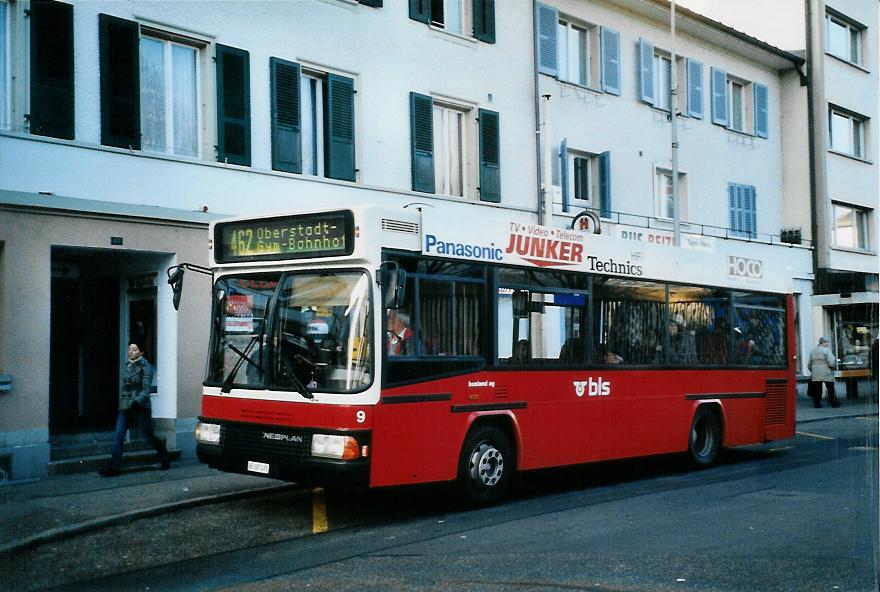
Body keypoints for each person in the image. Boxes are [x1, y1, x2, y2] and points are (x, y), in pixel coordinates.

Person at [99, 343, 171, 476]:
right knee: (118, 435)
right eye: (129, 350)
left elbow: (146, 388)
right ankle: (114, 467)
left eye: (134, 350)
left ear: (141, 352)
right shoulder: (128, 365)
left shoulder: (146, 367)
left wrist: (137, 402)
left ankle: (165, 456)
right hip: (125, 407)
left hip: (140, 407)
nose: (131, 352)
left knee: (147, 435)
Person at [807, 336, 840, 409]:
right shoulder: (827, 350)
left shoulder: (813, 351)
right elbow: (831, 362)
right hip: (826, 372)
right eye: (827, 342)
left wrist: (813, 371)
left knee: (817, 389)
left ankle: (817, 404)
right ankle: (833, 402)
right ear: (823, 342)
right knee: (830, 388)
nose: (828, 344)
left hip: (816, 373)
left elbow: (809, 364)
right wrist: (833, 368)